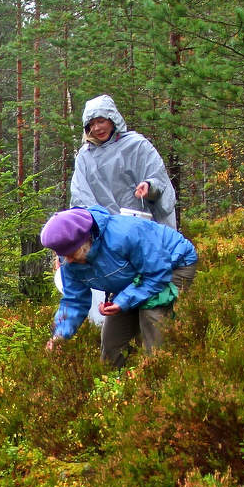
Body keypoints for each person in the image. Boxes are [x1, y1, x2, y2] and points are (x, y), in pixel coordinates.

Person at [42, 206, 198, 365]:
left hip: (172, 265)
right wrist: (60, 335)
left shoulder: (125, 234)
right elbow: (75, 300)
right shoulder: (69, 260)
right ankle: (118, 383)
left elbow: (156, 273)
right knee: (111, 344)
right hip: (136, 276)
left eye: (70, 254)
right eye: (62, 255)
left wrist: (122, 301)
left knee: (151, 314)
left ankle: (159, 375)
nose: (67, 261)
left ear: (85, 240)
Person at [70, 94, 177, 229]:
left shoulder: (137, 146)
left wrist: (149, 186)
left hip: (141, 228)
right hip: (105, 233)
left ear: (112, 119)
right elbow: (80, 196)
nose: (96, 128)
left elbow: (159, 179)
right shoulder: (85, 157)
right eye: (91, 124)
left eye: (101, 121)